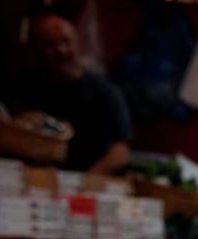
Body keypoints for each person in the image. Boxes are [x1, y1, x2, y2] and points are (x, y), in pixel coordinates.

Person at [19, 13, 132, 174]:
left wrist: (83, 182)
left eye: (66, 41)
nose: (61, 50)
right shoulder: (27, 87)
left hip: (85, 184)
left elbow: (120, 152)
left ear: (77, 44)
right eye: (50, 44)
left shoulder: (105, 93)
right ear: (37, 49)